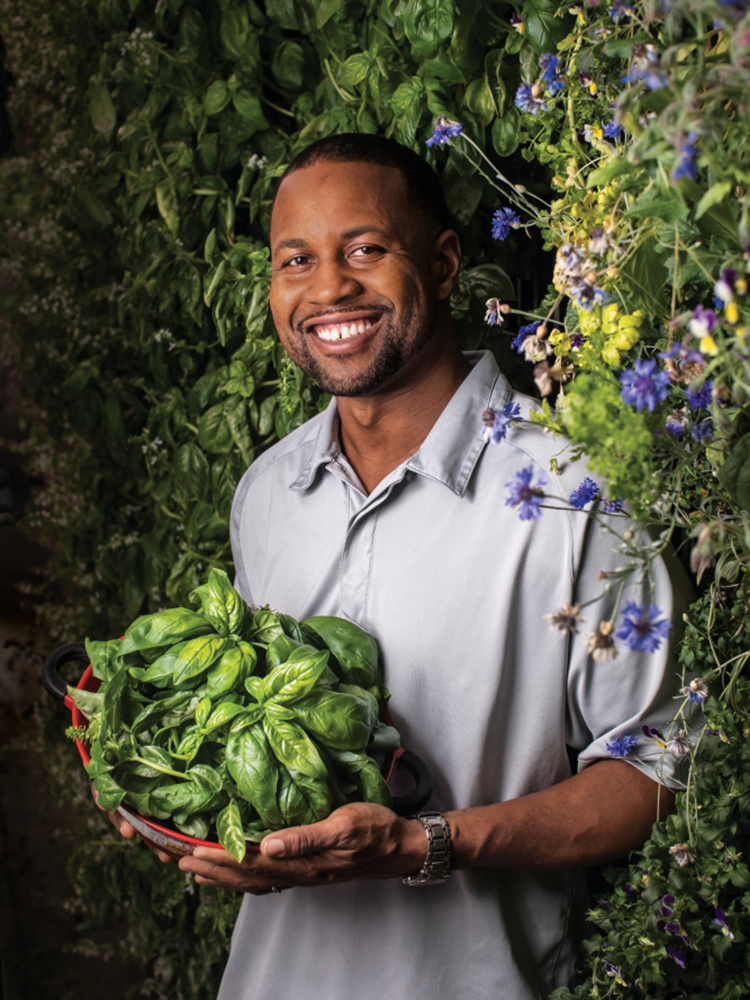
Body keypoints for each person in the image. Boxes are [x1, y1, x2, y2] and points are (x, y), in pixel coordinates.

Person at [110, 134, 689, 999]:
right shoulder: (267, 492)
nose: (328, 288)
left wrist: (425, 845)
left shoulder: (575, 494)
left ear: (446, 262)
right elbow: (245, 736)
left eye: (365, 250)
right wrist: (168, 796)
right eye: (296, 259)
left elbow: (655, 774)